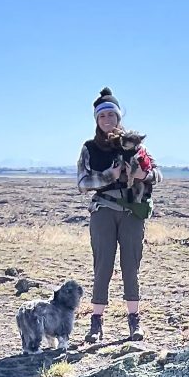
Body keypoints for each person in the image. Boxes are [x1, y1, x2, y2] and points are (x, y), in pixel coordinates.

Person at [75, 88, 157, 345]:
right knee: (103, 267)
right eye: (102, 116)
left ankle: (134, 321)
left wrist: (143, 175)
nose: (107, 119)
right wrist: (111, 175)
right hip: (103, 212)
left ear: (119, 117)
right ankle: (96, 323)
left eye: (112, 114)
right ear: (96, 120)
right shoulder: (89, 148)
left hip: (132, 212)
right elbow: (82, 182)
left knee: (131, 266)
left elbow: (157, 173)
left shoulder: (136, 146)